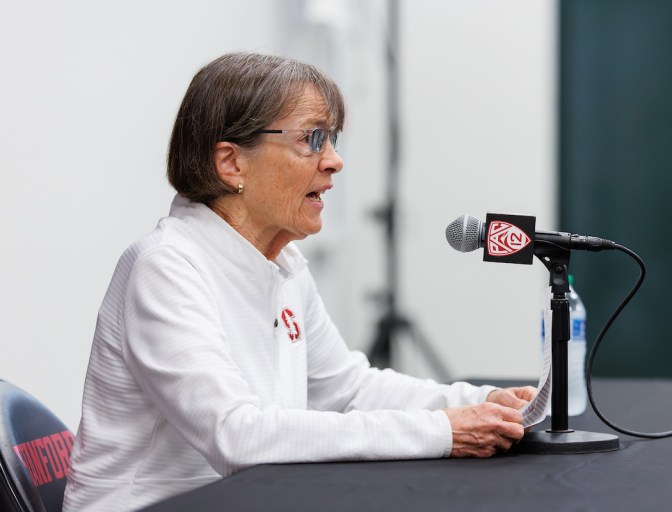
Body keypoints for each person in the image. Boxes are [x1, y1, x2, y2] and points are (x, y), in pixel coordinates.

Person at [62, 52, 535, 511]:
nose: (334, 162)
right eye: (312, 139)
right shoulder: (166, 266)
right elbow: (236, 435)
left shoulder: (283, 263)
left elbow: (348, 391)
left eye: (332, 140)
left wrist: (480, 401)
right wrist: (442, 431)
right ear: (231, 163)